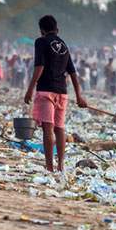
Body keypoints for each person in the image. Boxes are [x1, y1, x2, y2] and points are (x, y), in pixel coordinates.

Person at [24, 15, 88, 172]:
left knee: (48, 129)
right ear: (56, 30)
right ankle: (60, 166)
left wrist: (30, 89)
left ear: (42, 31)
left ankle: (49, 167)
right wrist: (79, 96)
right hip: (62, 93)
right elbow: (73, 73)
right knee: (59, 129)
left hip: (46, 90)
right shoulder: (64, 45)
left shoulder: (41, 41)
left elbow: (39, 67)